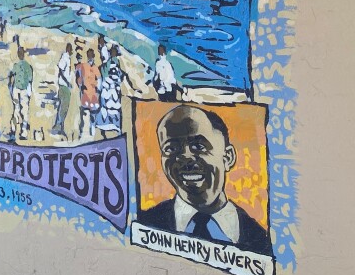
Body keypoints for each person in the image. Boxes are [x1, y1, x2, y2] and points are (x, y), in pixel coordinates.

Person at [137, 105, 272, 255]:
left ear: (228, 158)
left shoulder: (260, 240)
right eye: (171, 149)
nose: (185, 157)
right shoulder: (145, 223)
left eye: (198, 146)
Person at [95, 45, 130, 138]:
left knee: (114, 107)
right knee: (106, 107)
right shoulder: (108, 62)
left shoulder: (116, 62)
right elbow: (105, 72)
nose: (113, 53)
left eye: (114, 52)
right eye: (112, 52)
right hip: (108, 87)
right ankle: (105, 128)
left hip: (113, 88)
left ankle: (114, 127)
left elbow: (119, 75)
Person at [7, 47, 33, 141]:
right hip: (24, 90)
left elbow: (10, 75)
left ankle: (13, 130)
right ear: (23, 55)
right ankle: (23, 132)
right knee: (24, 111)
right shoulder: (28, 66)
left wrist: (10, 83)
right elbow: (30, 79)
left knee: (16, 109)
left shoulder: (16, 65)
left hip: (16, 89)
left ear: (18, 55)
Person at [78, 48, 101, 140]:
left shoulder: (96, 68)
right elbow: (80, 77)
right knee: (84, 113)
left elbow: (99, 80)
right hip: (85, 93)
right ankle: (82, 132)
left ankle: (92, 130)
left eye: (91, 55)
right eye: (88, 55)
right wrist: (81, 85)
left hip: (93, 93)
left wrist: (98, 90)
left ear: (94, 56)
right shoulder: (84, 66)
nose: (90, 57)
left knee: (93, 113)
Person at [52, 43, 73, 136]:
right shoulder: (65, 57)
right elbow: (61, 70)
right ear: (68, 49)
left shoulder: (67, 57)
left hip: (64, 86)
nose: (72, 50)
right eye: (70, 49)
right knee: (63, 107)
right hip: (64, 86)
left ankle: (60, 126)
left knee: (64, 107)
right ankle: (58, 126)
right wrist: (67, 82)